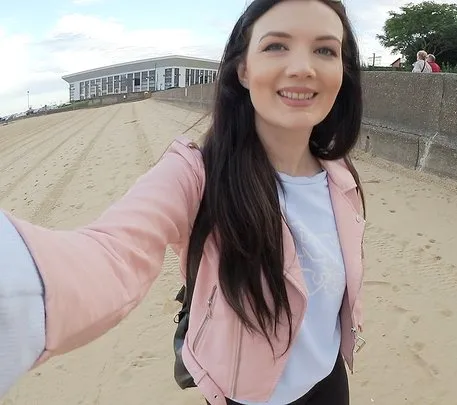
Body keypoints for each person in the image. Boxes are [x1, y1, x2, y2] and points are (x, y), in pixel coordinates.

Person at [0, 0, 367, 404]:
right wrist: (19, 287)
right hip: (246, 394)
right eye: (276, 46)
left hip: (330, 378)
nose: (303, 67)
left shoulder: (339, 175)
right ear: (243, 69)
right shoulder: (196, 174)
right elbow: (111, 254)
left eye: (325, 50)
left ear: (343, 71)